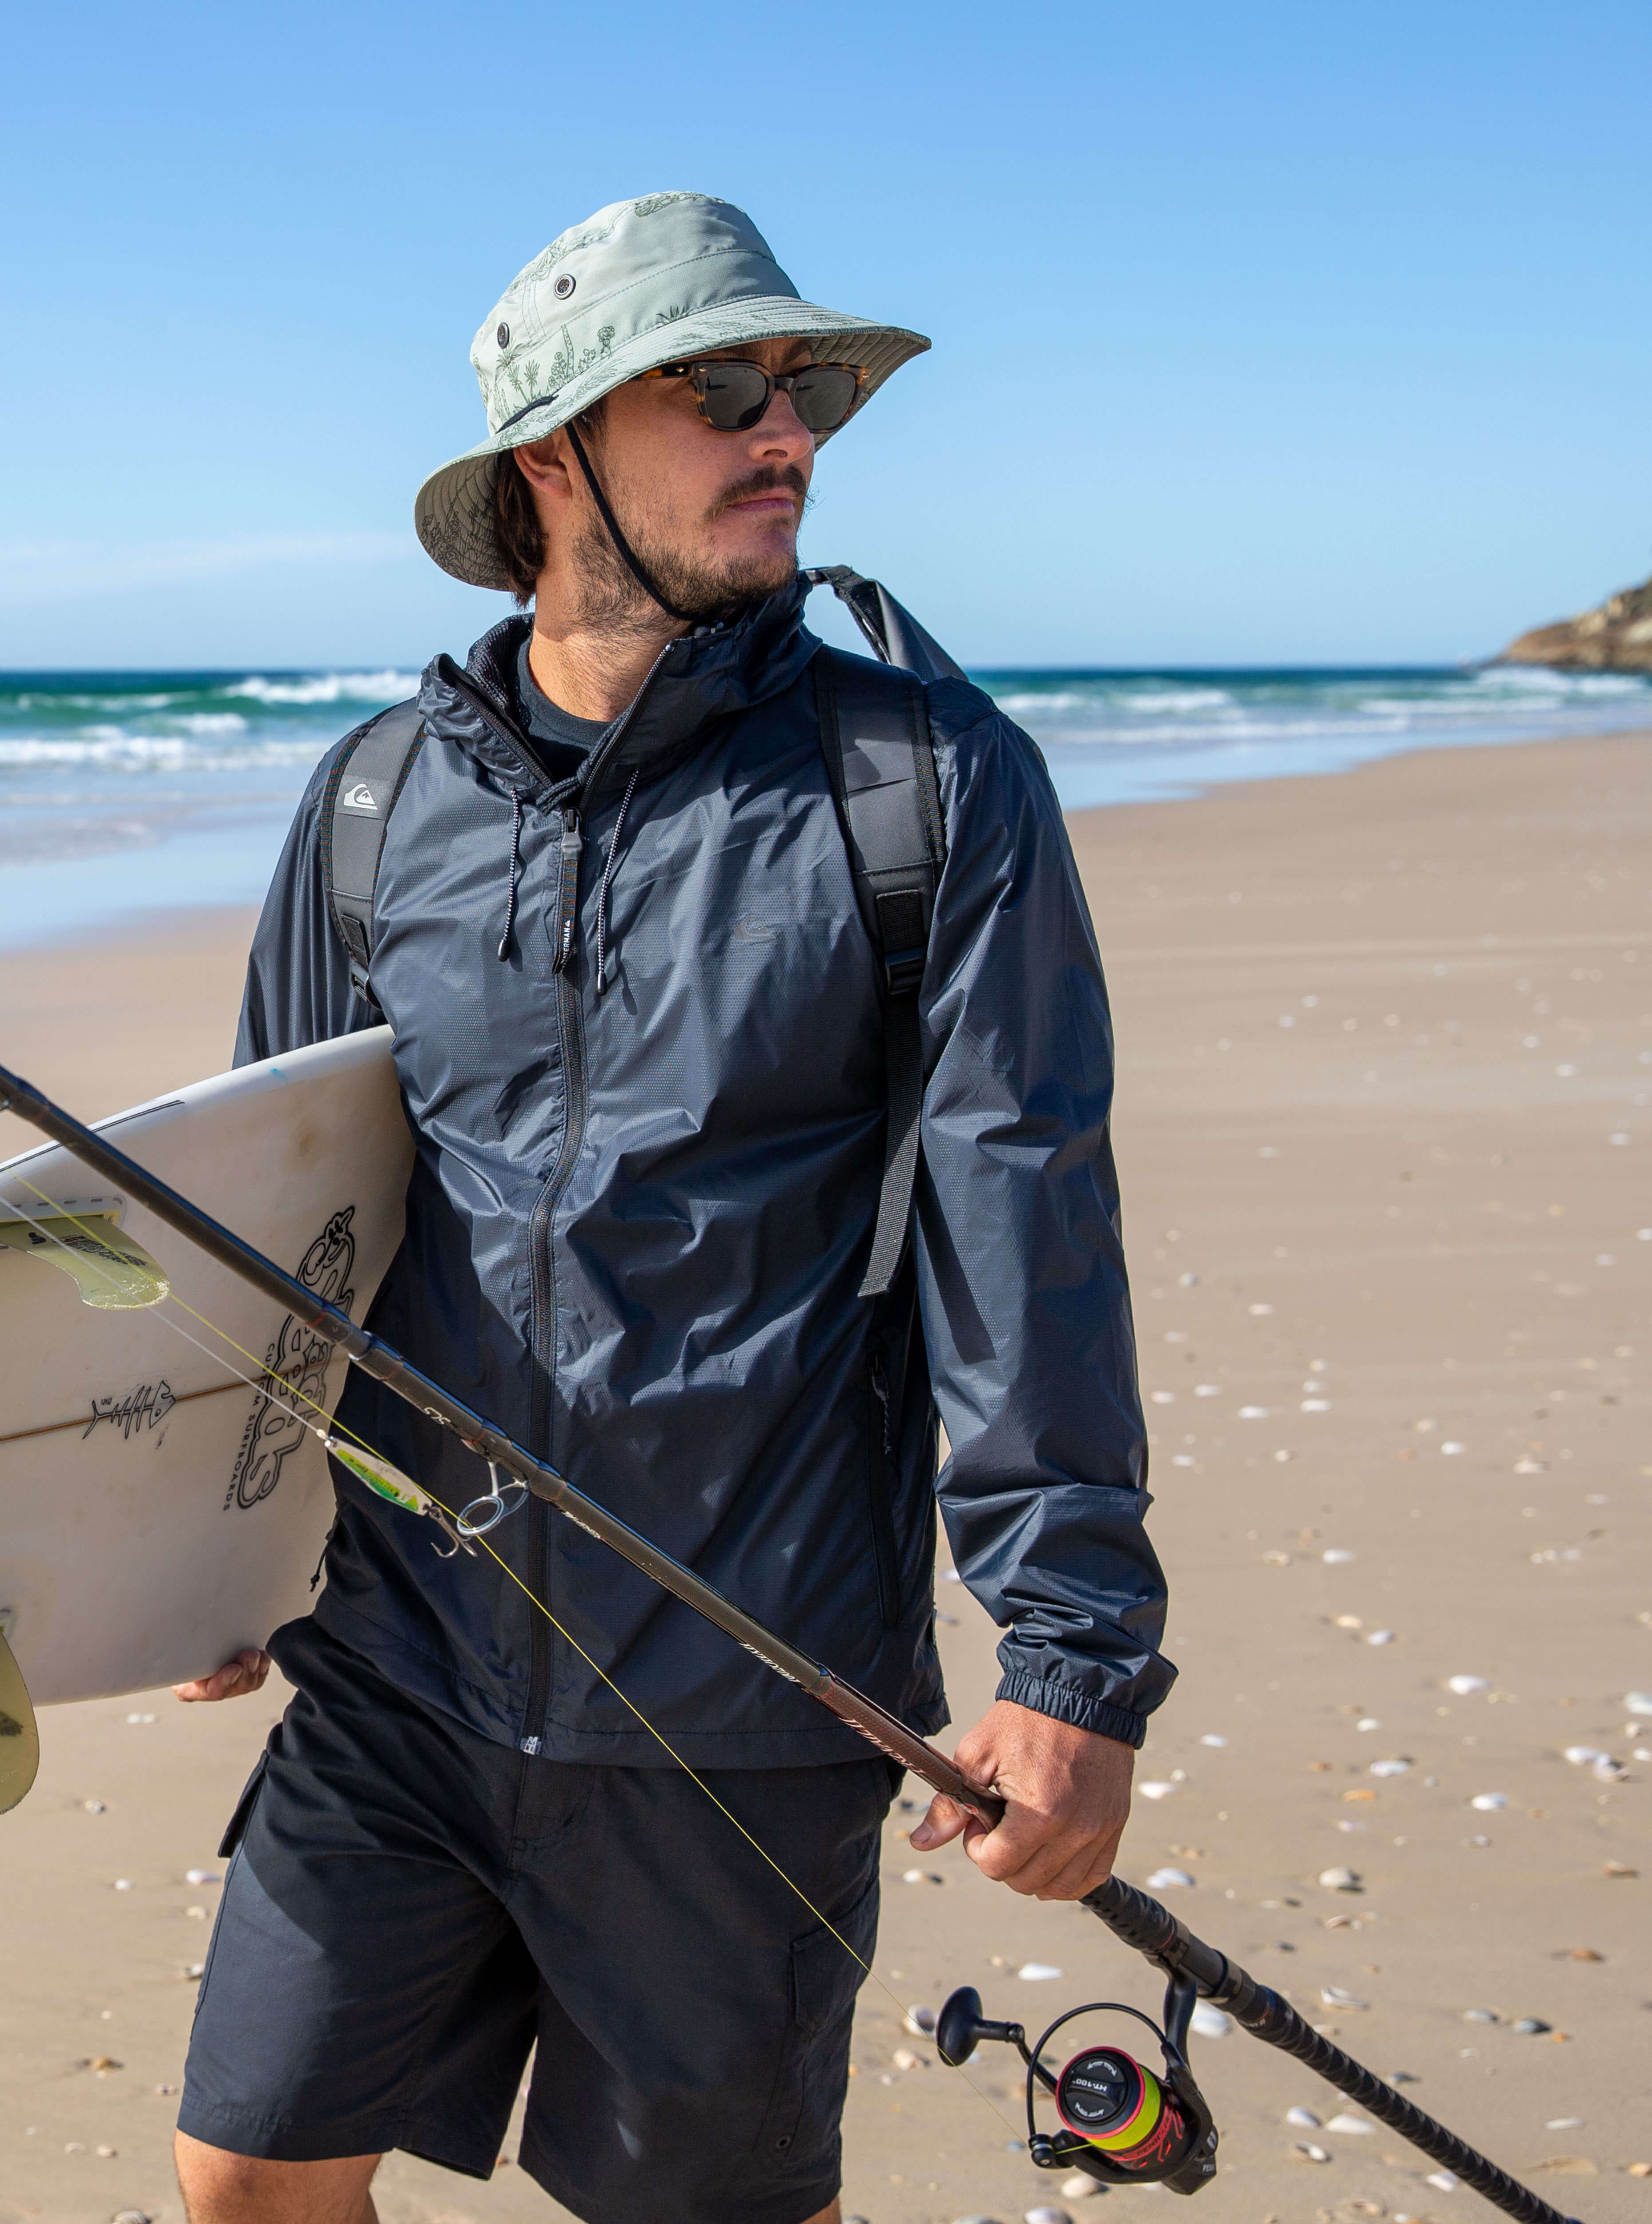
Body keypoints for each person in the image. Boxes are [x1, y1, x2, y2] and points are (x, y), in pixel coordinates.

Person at [165, 192, 1173, 2224]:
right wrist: (194, 1537)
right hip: (403, 1668)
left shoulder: (930, 786)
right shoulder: (373, 803)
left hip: (752, 1687)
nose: (786, 428)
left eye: (804, 389)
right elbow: (282, 1227)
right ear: (554, 459)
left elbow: (1024, 1222)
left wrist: (1069, 1660)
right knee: (248, 2174)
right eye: (723, 387)